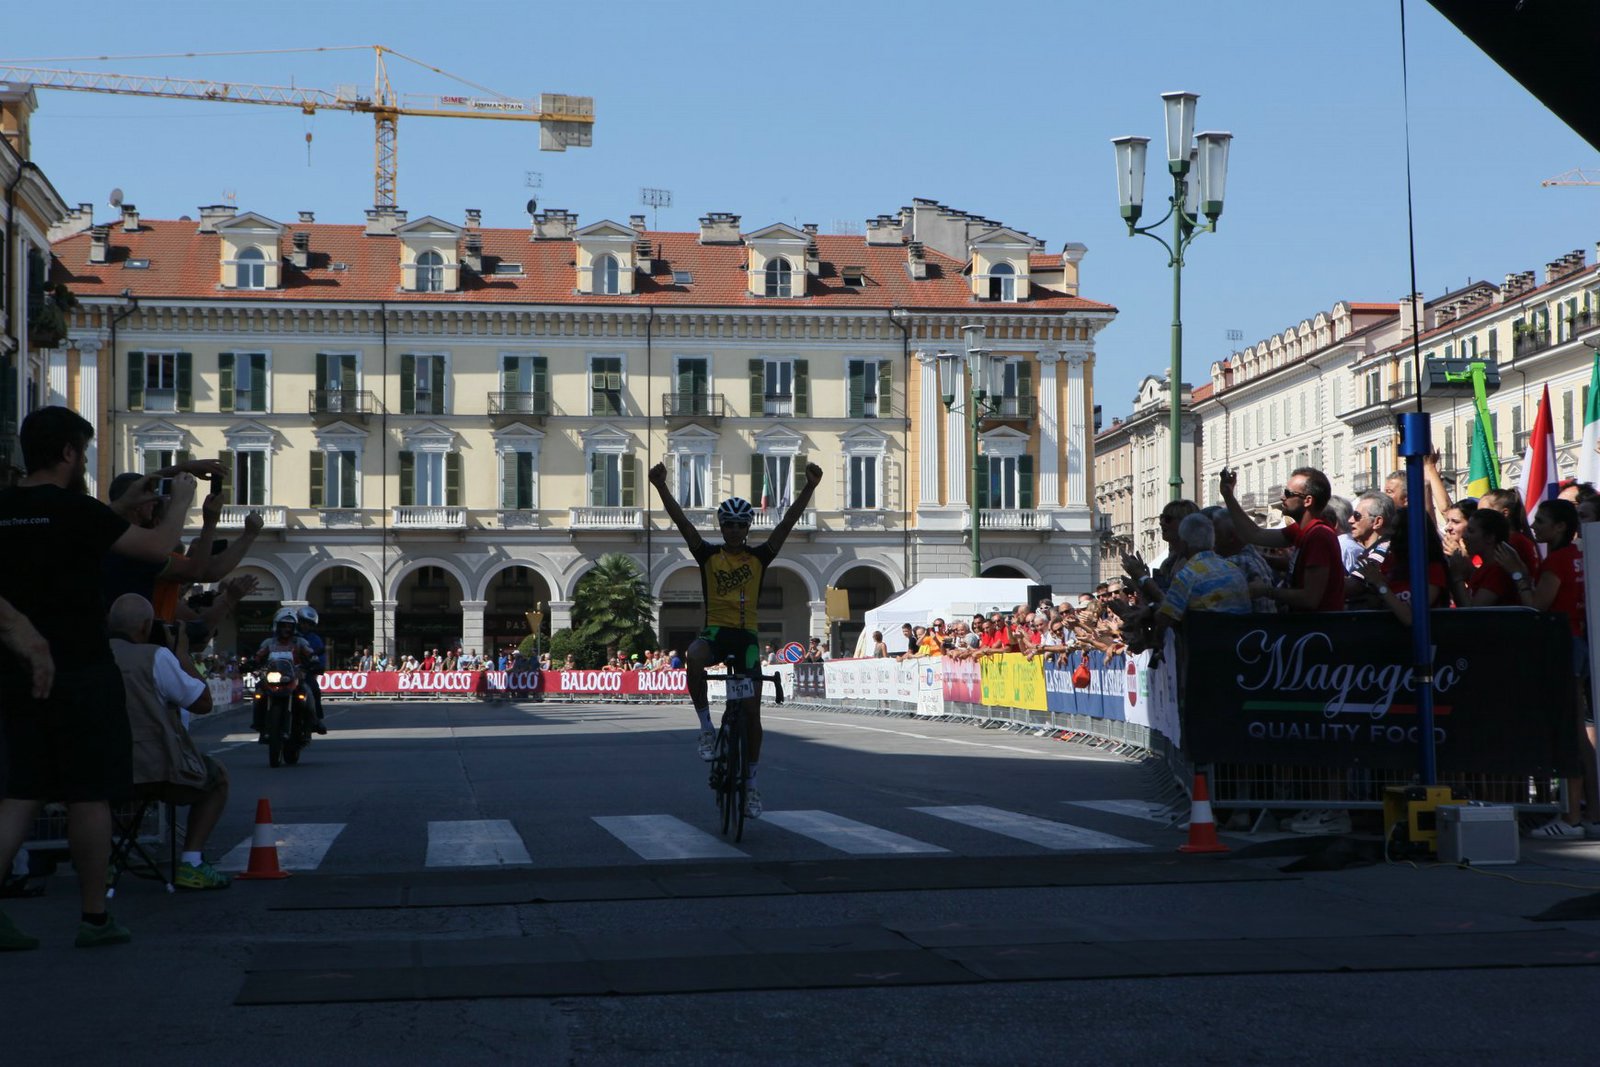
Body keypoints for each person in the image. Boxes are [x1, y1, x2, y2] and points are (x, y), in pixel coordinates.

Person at [0, 406, 199, 950]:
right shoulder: (78, 511)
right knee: (89, 796)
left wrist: (117, 507)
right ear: (68, 452)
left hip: (17, 667)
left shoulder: (7, 508)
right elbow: (157, 550)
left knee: (21, 792)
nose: (84, 459)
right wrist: (178, 503)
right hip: (82, 667)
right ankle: (94, 918)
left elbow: (55, 530)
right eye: (83, 450)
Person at [650, 459, 822, 820]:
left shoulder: (760, 556)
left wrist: (809, 488)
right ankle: (706, 729)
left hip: (745, 639)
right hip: (714, 633)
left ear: (746, 528)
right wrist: (661, 487)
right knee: (694, 655)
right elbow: (681, 522)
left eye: (739, 525)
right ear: (721, 527)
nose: (732, 530)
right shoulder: (707, 554)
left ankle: (753, 784)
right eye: (727, 525)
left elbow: (787, 523)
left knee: (751, 714)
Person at [107, 593, 230, 891]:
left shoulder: (87, 655)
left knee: (93, 802)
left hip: (96, 774)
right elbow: (202, 702)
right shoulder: (154, 657)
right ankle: (191, 863)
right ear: (147, 625)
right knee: (217, 778)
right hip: (153, 771)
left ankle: (103, 863)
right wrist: (183, 656)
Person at [1501, 498, 1598, 837]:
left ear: (1559, 527)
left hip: (1563, 644)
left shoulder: (1557, 560)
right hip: (1579, 643)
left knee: (1568, 729)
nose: (1535, 524)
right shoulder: (1578, 555)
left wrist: (1517, 573)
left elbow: (1537, 605)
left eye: (1541, 520)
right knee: (1576, 728)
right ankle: (1590, 813)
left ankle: (1571, 817)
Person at [1220, 466, 1345, 612]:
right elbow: (1253, 534)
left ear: (1308, 500)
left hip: (1320, 630)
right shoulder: (1302, 531)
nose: (1282, 497)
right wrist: (1228, 495)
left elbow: (1310, 598)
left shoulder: (1319, 536)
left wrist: (1267, 591)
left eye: (1288, 493)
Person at [1149, 513, 1251, 666]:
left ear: (1183, 544)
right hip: (1242, 650)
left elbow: (1165, 619)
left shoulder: (1188, 575)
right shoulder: (1234, 569)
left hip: (1208, 656)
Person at [296, 605, 329, 734]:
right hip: (284, 671)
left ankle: (317, 719)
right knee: (262, 689)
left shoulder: (314, 639)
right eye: (303, 623)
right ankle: (262, 719)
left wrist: (319, 667)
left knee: (314, 690)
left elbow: (321, 656)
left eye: (309, 624)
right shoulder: (286, 635)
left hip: (304, 672)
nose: (305, 626)